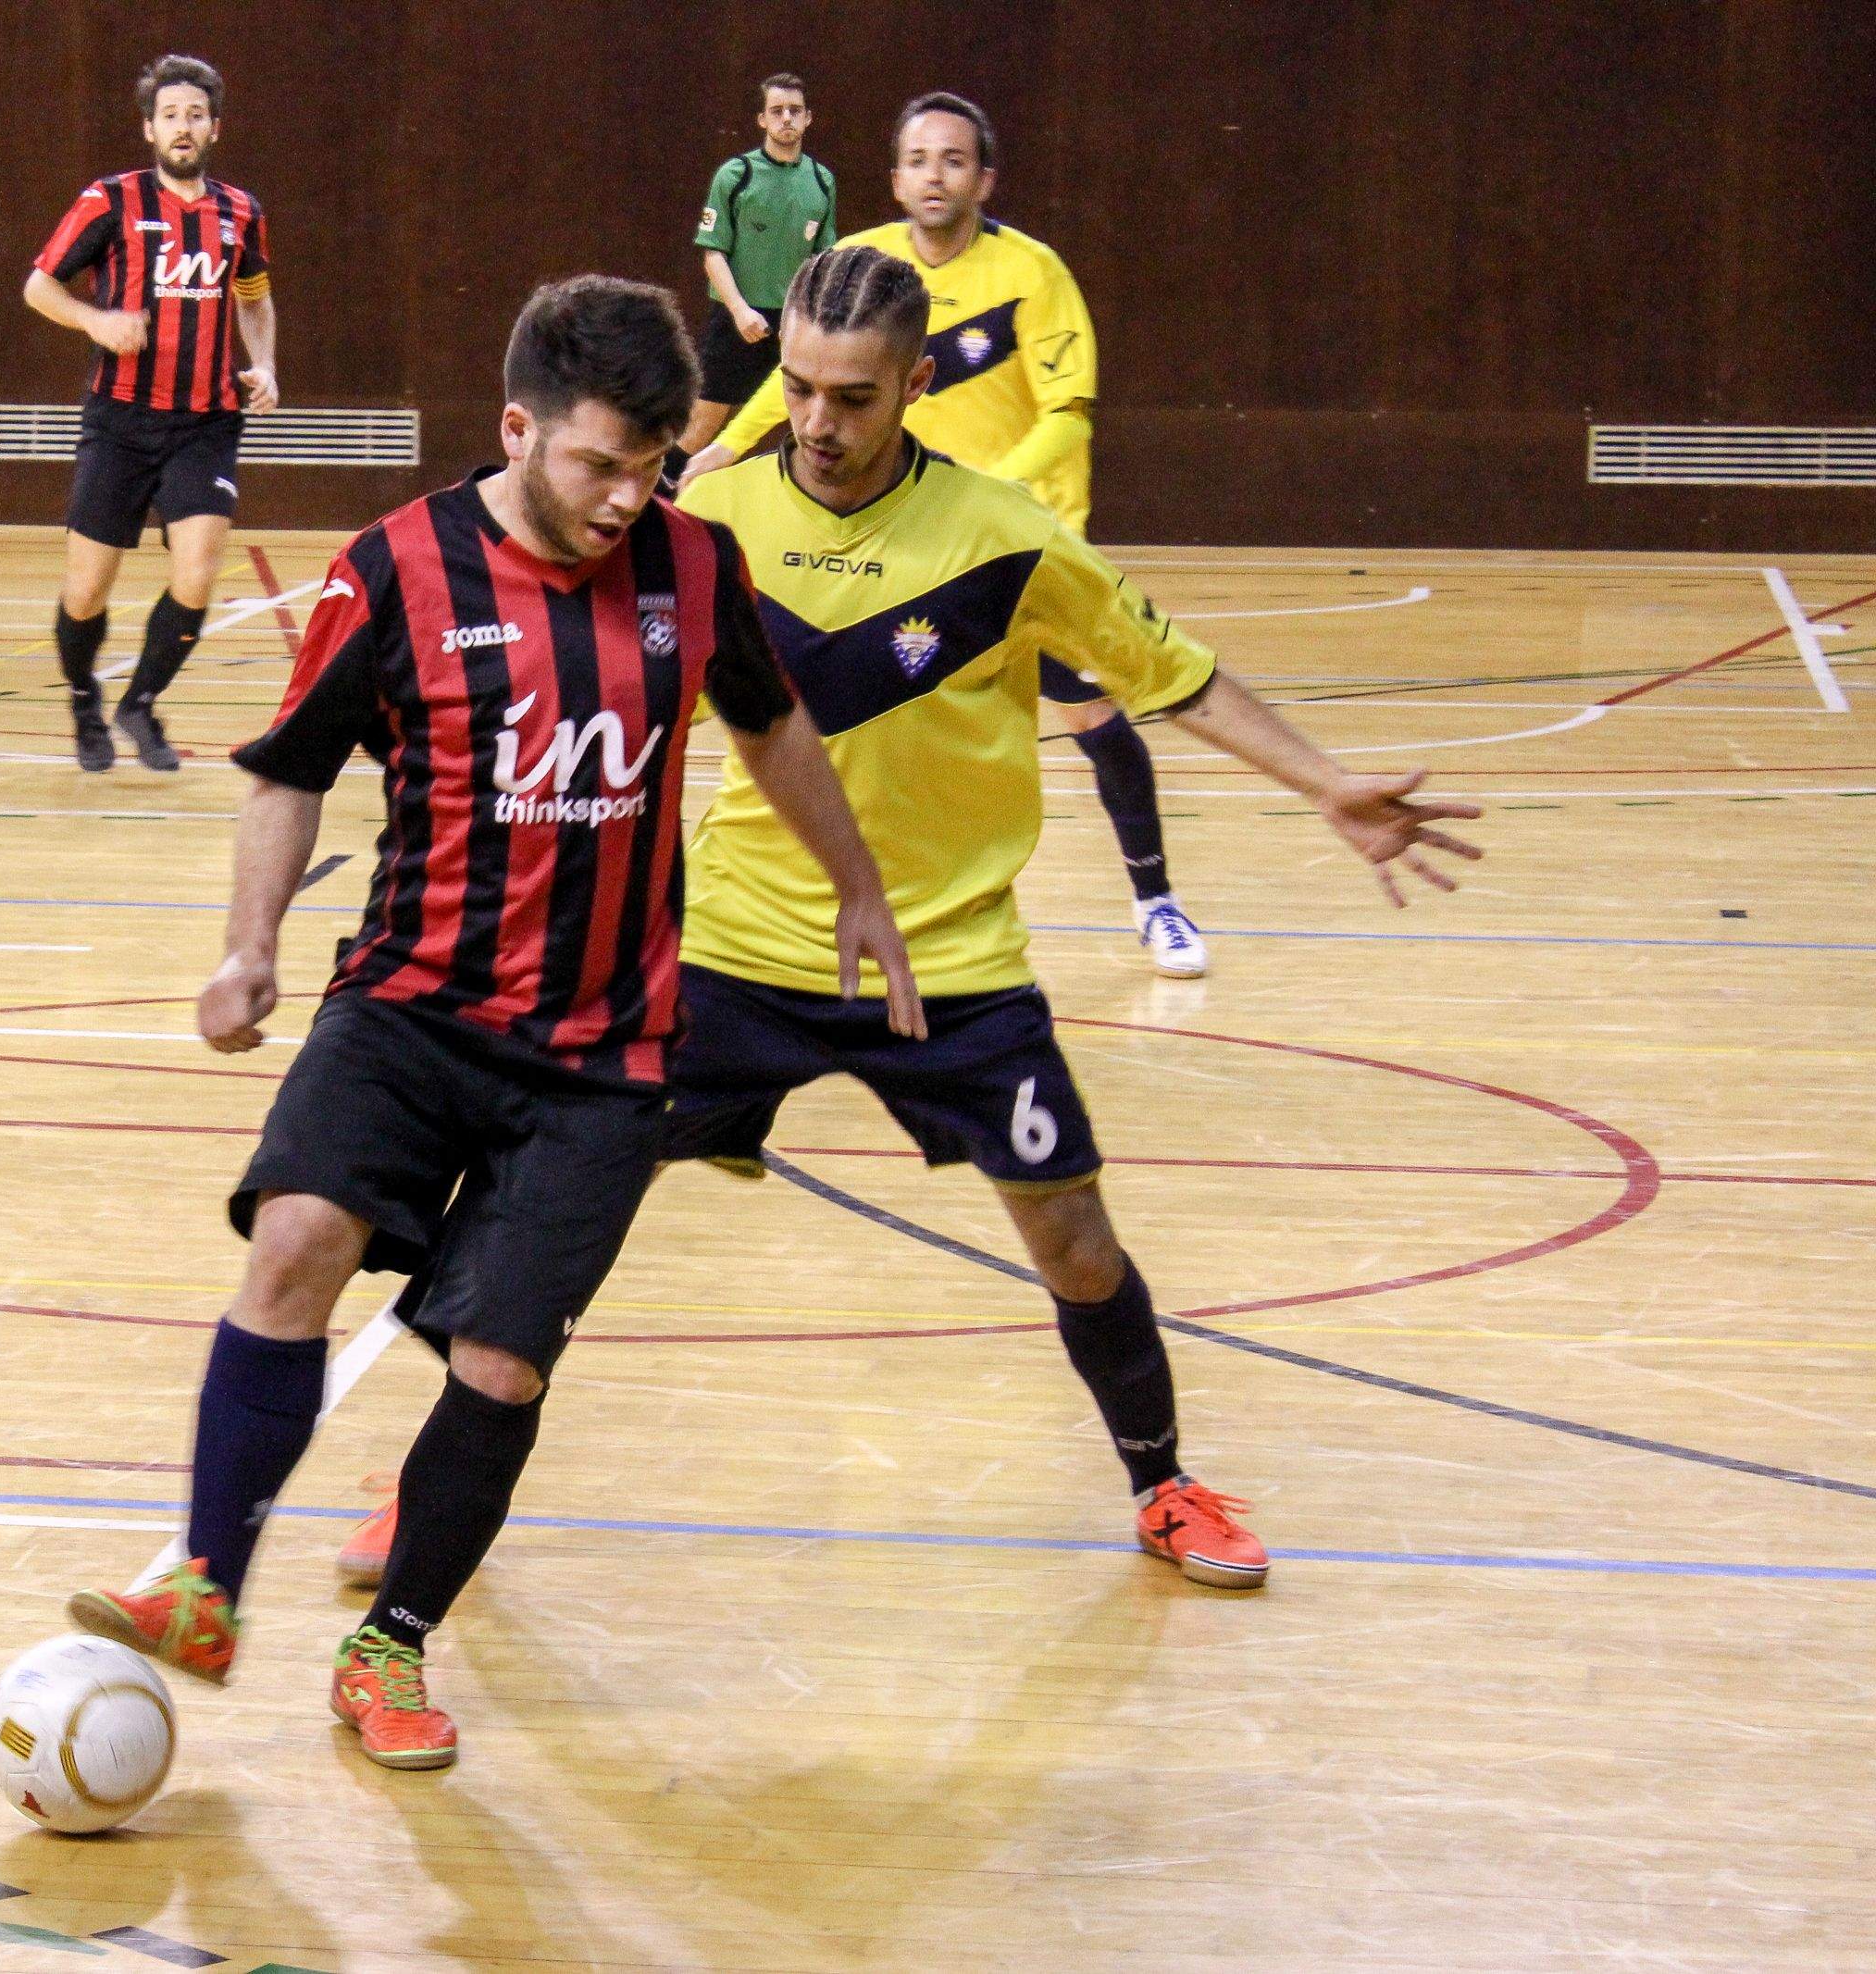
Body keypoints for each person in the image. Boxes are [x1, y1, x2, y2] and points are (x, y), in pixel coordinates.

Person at [342, 246, 1483, 1598]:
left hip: (949, 962)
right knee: (547, 1213)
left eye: (853, 396)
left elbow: (1171, 673)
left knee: (1074, 1241)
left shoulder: (1008, 537)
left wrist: (1325, 783)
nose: (816, 421)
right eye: (797, 387)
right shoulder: (705, 518)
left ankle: (1163, 1483)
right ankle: (430, 1494)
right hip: (734, 951)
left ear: (918, 384)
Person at [66, 276, 917, 1772]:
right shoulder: (394, 567)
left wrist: (858, 886)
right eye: (598, 464)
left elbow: (771, 720)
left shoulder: (694, 565)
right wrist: (249, 948)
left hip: (603, 1055)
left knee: (502, 1365)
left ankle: (388, 1645)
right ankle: (204, 1582)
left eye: (650, 466)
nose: (626, 497)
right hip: (411, 1007)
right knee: (294, 1242)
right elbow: (290, 766)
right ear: (517, 429)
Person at [681, 92, 1210, 977]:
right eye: (919, 160)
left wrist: (979, 503)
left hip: (998, 556)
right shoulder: (860, 268)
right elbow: (798, 375)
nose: (936, 175)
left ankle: (1156, 899)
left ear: (985, 179)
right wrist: (730, 445)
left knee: (1094, 715)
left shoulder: (1034, 273)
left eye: (955, 160)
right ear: (894, 179)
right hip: (890, 545)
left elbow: (1069, 415)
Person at [26, 54, 277, 773]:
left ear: (215, 128)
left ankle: (139, 703)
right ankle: (85, 699)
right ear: (149, 128)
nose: (183, 126)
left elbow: (255, 299)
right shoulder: (110, 201)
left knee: (197, 575)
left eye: (196, 115)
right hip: (120, 421)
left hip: (206, 422)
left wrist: (264, 364)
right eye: (170, 115)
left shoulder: (240, 212)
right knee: (86, 590)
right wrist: (96, 321)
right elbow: (39, 287)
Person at [679, 74, 838, 463]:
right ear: (762, 120)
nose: (787, 118)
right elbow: (712, 254)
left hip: (793, 325)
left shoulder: (821, 181)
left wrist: (812, 319)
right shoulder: (736, 176)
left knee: (802, 423)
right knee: (701, 425)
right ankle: (664, 491)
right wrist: (740, 311)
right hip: (739, 320)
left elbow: (823, 261)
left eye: (795, 111)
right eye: (777, 111)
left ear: (808, 119)